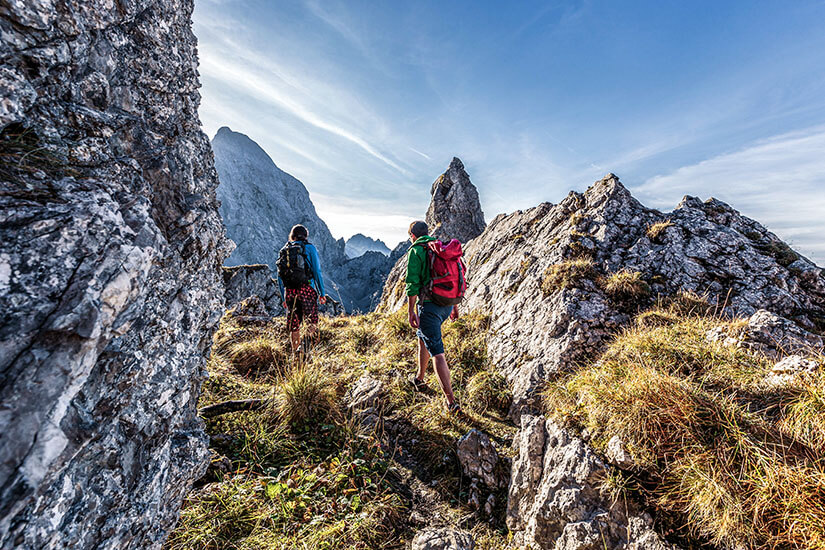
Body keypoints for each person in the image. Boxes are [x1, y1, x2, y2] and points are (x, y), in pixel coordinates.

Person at [405, 220, 461, 413]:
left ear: (412, 235)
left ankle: (451, 402)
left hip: (430, 307)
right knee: (423, 337)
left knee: (437, 352)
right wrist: (453, 306)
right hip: (446, 305)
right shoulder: (438, 248)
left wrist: (411, 311)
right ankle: (419, 378)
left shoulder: (417, 251)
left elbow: (412, 284)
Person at [276, 224, 327, 353]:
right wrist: (322, 293)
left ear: (292, 236)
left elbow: (280, 277)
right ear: (305, 236)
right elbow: (317, 271)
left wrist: (284, 297)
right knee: (312, 321)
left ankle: (295, 354)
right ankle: (304, 348)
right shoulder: (309, 248)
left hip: (290, 291)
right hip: (306, 289)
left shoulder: (284, 250)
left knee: (294, 324)